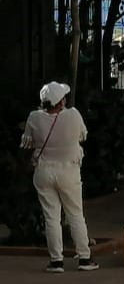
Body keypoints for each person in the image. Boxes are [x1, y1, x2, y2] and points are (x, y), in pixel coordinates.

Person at [21, 82, 98, 273]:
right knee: (75, 214)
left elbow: (27, 143)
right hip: (69, 171)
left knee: (51, 218)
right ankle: (84, 258)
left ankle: (56, 261)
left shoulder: (34, 117)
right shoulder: (73, 115)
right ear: (60, 101)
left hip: (44, 171)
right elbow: (82, 136)